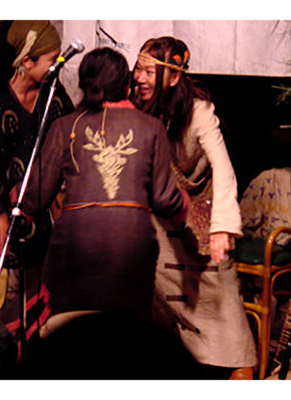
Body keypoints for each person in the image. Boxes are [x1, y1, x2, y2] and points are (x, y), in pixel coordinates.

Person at [17, 47, 191, 377]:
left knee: (71, 341)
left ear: (84, 85)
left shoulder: (65, 126)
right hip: (131, 249)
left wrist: (15, 200)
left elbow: (34, 196)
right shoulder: (151, 127)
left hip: (74, 247)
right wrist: (185, 203)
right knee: (127, 339)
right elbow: (165, 199)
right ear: (125, 85)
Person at [130, 36, 256, 379]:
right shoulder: (139, 108)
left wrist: (222, 225)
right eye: (138, 70)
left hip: (202, 219)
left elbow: (223, 166)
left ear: (173, 77)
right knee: (155, 303)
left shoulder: (199, 112)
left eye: (149, 72)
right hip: (161, 220)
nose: (140, 78)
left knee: (225, 319)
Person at [0, 21, 74, 328]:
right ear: (26, 61)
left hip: (35, 217)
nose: (58, 65)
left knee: (39, 303)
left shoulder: (54, 98)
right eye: (52, 59)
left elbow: (70, 146)